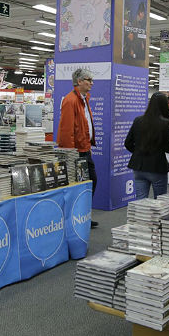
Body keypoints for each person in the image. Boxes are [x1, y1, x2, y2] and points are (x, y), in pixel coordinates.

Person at [56, 68, 98, 228]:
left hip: (85, 149)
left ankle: (83, 214)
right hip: (77, 153)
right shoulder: (70, 100)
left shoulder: (83, 99)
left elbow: (84, 124)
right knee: (82, 185)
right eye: (89, 80)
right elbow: (66, 131)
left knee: (90, 182)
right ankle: (77, 216)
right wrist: (71, 155)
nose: (92, 83)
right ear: (79, 81)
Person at [125, 92, 169, 200]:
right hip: (157, 166)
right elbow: (168, 149)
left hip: (139, 166)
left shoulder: (138, 120)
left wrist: (138, 152)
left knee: (141, 202)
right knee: (160, 201)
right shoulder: (165, 123)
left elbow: (127, 143)